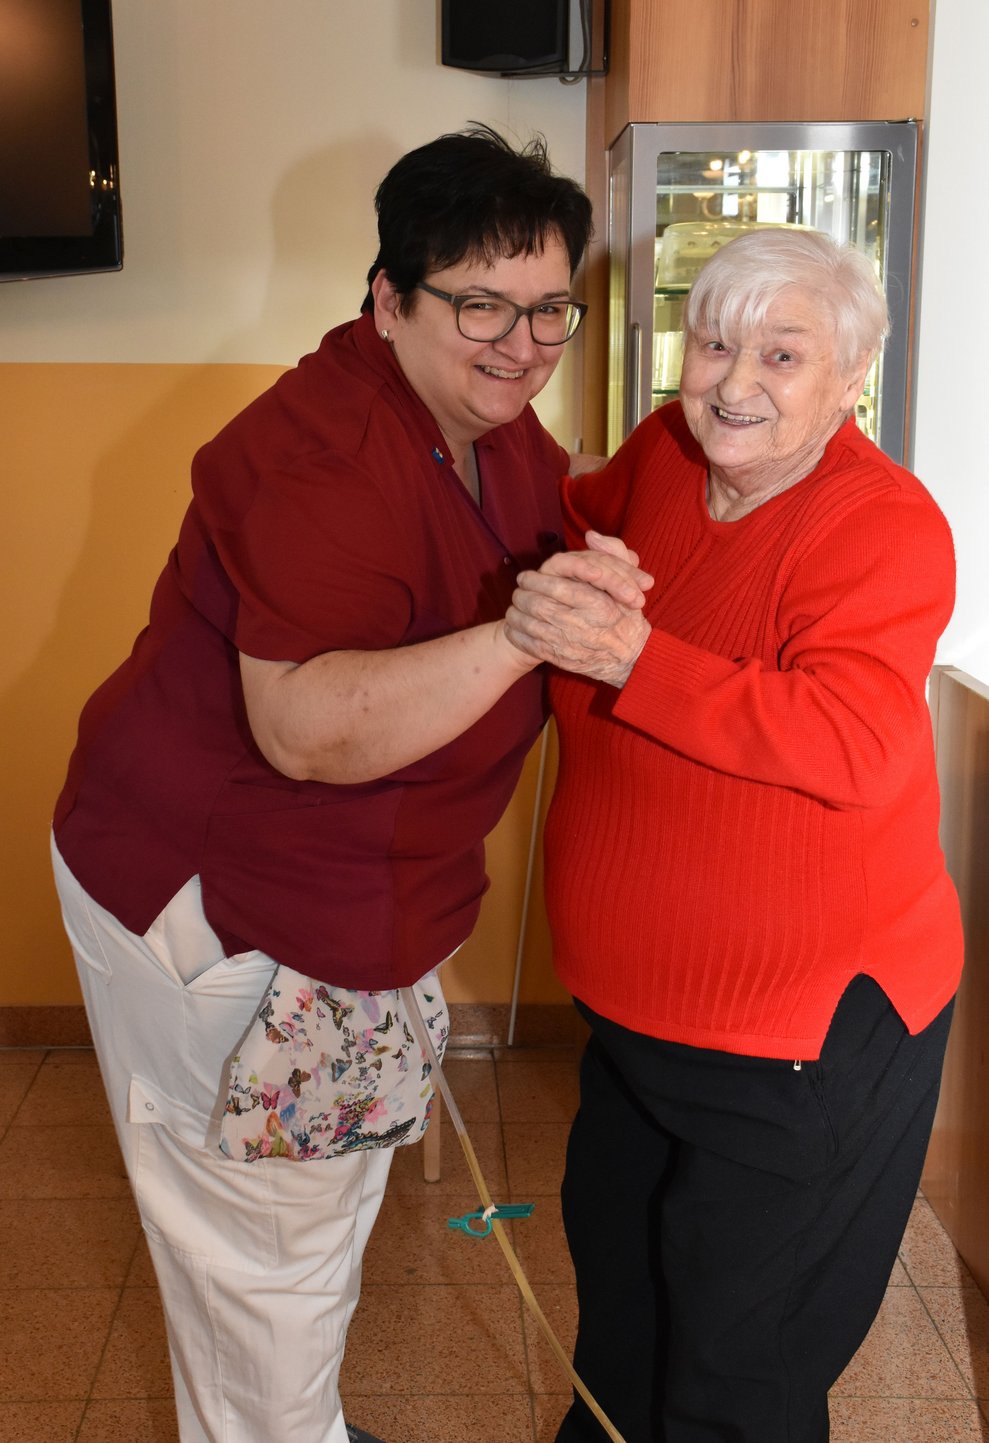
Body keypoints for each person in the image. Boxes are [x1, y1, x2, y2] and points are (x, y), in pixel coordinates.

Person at [51, 124, 592, 1443]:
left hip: (354, 911)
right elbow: (300, 728)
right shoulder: (317, 456)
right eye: (480, 304)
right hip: (226, 905)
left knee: (312, 1218)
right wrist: (524, 634)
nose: (521, 342)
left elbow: (561, 513)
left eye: (548, 308)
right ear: (388, 296)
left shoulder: (488, 427)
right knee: (263, 1260)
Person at [505, 227, 964, 1443]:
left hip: (795, 1037)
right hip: (636, 1023)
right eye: (712, 343)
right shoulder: (663, 454)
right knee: (621, 1324)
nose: (733, 382)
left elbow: (852, 743)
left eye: (780, 352)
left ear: (850, 377)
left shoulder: (877, 526)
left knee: (731, 1375)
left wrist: (633, 659)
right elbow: (565, 510)